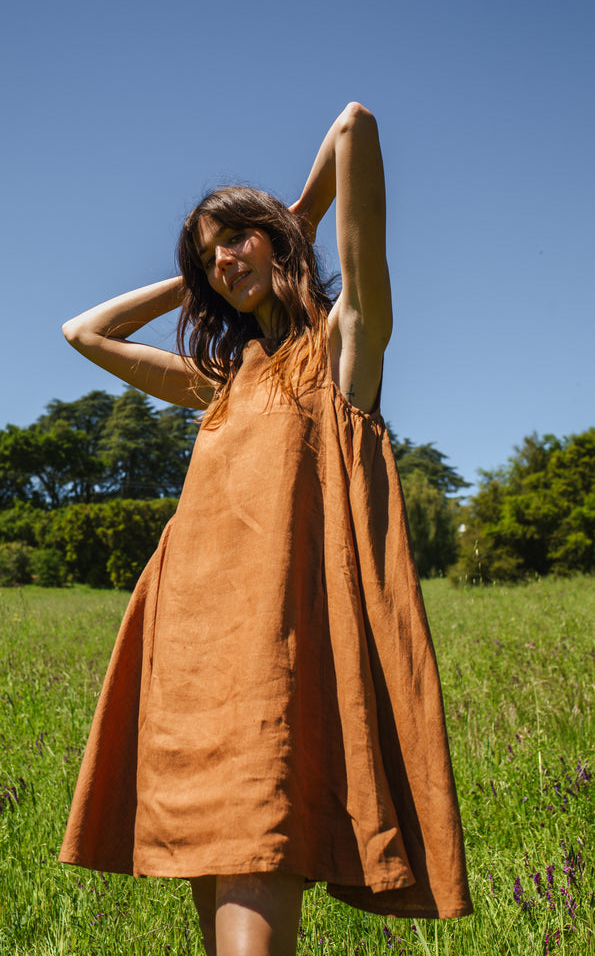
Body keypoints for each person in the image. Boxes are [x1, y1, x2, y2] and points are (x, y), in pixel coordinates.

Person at [58, 103, 472, 956]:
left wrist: (292, 221)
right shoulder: (222, 383)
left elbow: (353, 127)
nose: (219, 261)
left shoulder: (345, 349)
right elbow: (84, 332)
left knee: (252, 911)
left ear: (278, 239)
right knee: (222, 929)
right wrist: (203, 268)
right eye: (206, 256)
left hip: (273, 666)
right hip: (189, 665)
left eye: (233, 240)